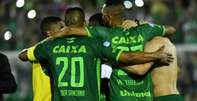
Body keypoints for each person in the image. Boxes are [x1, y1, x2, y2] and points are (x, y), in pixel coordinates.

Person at [19, 7, 173, 101]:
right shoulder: (96, 44)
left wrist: (48, 40)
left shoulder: (48, 47)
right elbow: (128, 57)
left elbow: (22, 56)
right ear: (84, 24)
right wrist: (155, 55)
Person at [18, 16, 65, 101]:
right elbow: (21, 55)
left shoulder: (65, 48)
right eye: (61, 27)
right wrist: (50, 39)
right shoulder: (41, 49)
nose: (65, 29)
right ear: (49, 33)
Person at [143, 37, 184, 101]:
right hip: (177, 96)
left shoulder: (150, 44)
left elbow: (140, 70)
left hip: (162, 97)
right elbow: (178, 70)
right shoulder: (171, 45)